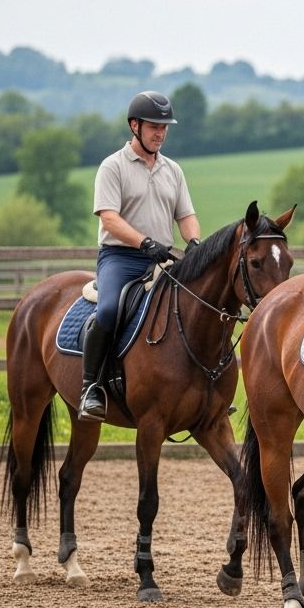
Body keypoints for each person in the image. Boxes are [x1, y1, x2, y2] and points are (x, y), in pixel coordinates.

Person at [78, 91, 201, 422]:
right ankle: (92, 387)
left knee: (195, 308)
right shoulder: (112, 166)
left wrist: (194, 242)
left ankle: (203, 390)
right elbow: (109, 218)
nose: (160, 133)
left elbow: (185, 215)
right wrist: (144, 242)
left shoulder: (173, 170)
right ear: (135, 126)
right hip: (121, 258)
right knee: (108, 310)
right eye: (153, 127)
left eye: (164, 127)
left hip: (161, 258)